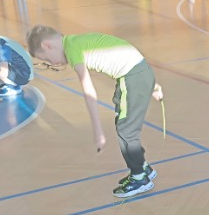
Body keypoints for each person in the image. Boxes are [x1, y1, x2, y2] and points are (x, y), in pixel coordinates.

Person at [26, 26, 163, 199]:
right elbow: (124, 52)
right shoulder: (75, 41)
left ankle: (139, 178)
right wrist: (151, 83)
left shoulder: (72, 49)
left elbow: (89, 92)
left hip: (133, 77)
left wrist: (98, 131)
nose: (52, 63)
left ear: (47, 45)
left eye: (47, 58)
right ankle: (142, 167)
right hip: (138, 73)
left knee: (126, 130)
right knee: (124, 123)